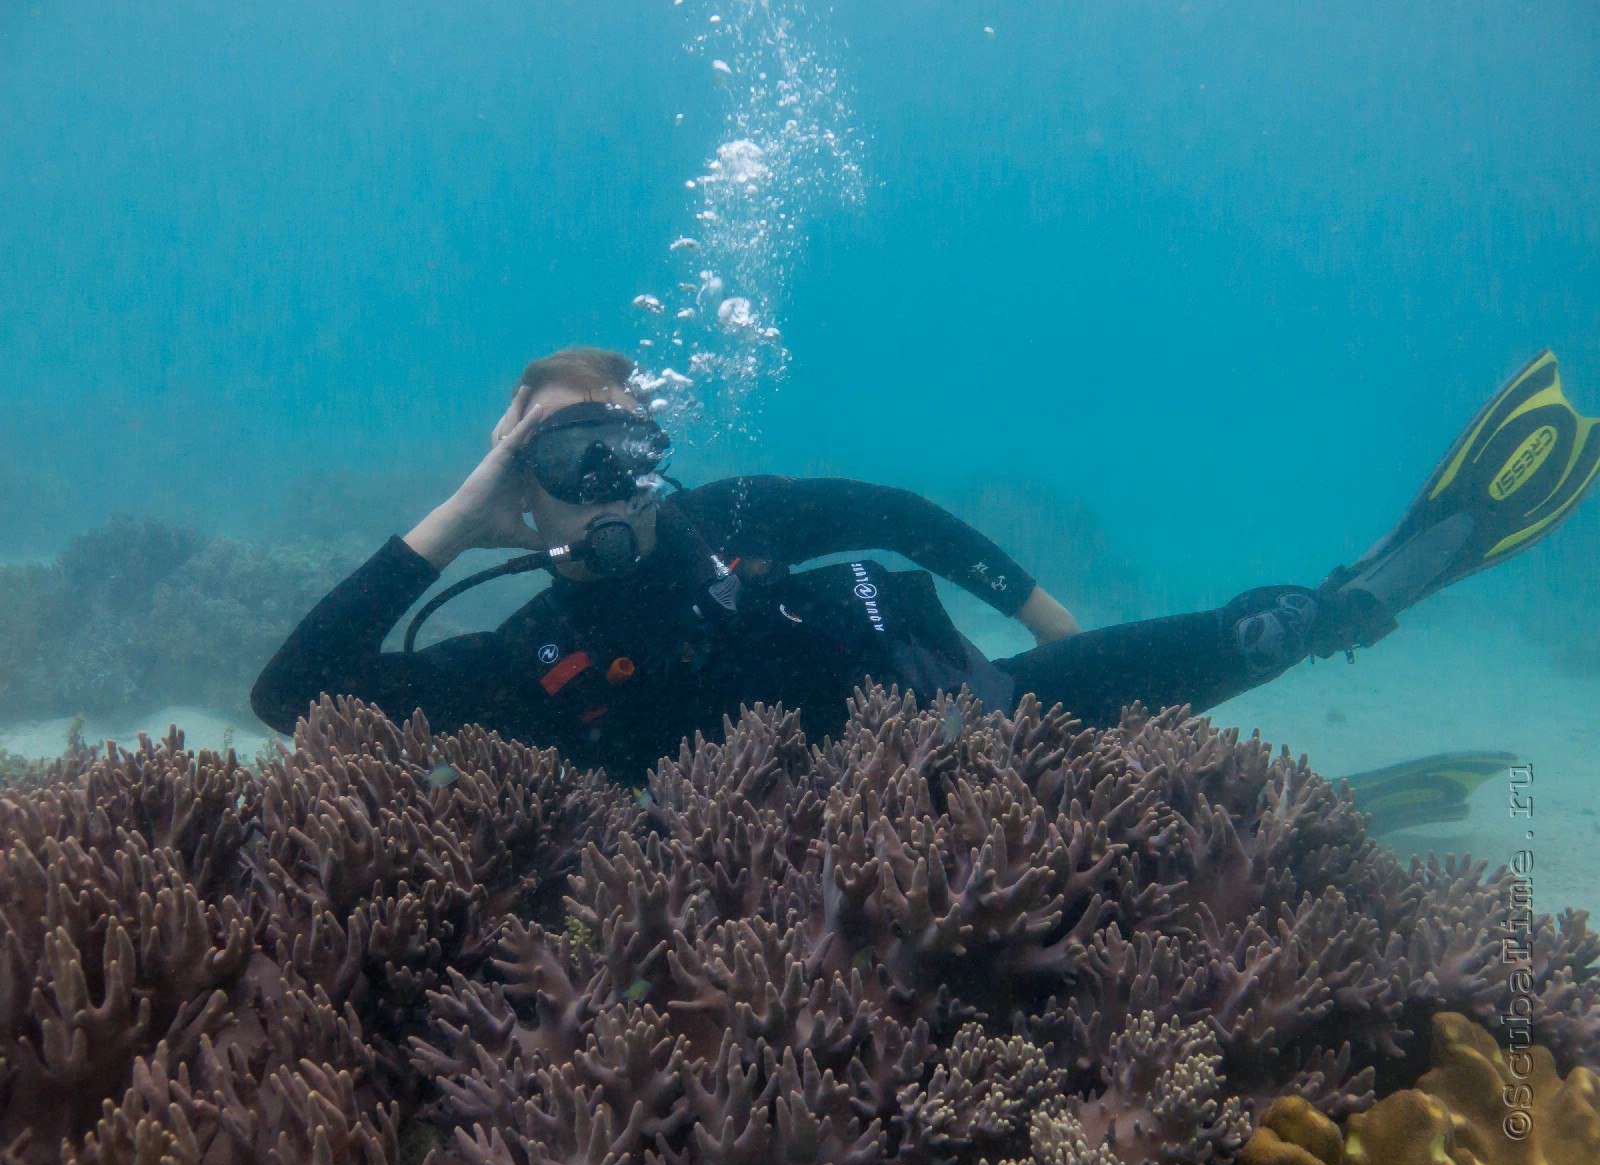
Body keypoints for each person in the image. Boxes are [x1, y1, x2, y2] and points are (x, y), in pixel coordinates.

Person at [252, 346, 1598, 783]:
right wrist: (461, 510)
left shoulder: (741, 514)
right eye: (564, 459)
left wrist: (1055, 633)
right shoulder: (522, 649)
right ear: (516, 479)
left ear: (662, 451)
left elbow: (903, 513)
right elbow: (289, 698)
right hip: (779, 895)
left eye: (625, 448)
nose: (605, 482)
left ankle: (1383, 584)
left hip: (985, 740)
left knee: (1257, 634)